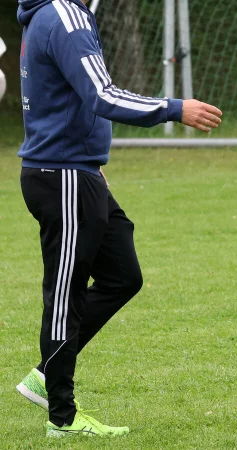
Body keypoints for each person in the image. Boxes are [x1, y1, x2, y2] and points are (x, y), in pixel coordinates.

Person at [15, 0, 222, 438]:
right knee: (63, 299)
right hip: (63, 175)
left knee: (123, 274)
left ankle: (44, 373)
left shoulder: (51, 16)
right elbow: (102, 95)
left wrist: (90, 161)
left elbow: (65, 98)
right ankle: (62, 418)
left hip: (79, 171)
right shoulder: (62, 16)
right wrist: (173, 108)